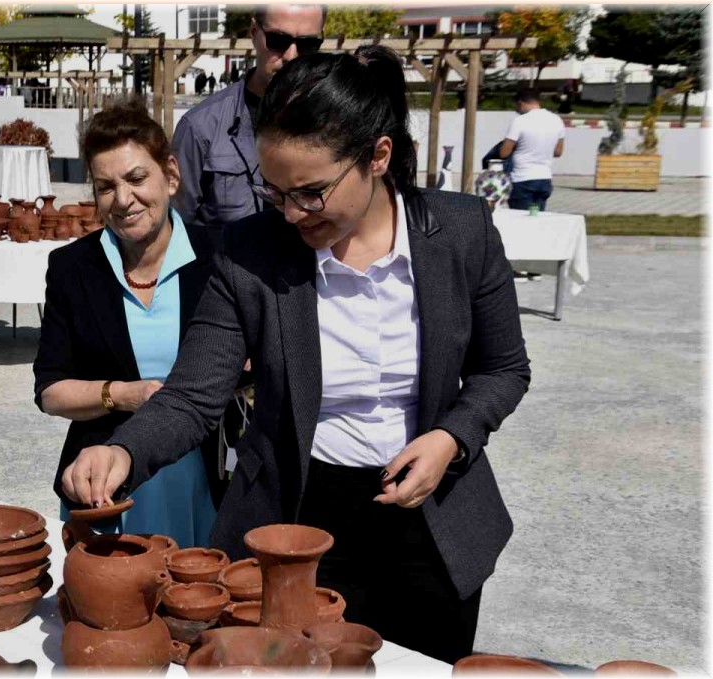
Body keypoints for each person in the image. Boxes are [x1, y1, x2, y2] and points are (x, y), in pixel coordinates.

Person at [60, 47, 531, 665]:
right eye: (274, 190)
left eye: (310, 193)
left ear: (378, 157)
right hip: (301, 519)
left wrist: (451, 437)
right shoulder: (251, 252)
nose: (290, 214)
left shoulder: (461, 232)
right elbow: (195, 393)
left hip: (435, 515)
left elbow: (504, 369)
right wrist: (123, 448)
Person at [33, 98, 223, 547]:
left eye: (137, 178)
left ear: (171, 175)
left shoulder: (219, 259)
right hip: (106, 482)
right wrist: (124, 395)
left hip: (210, 478)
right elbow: (50, 390)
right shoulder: (73, 268)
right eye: (105, 186)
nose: (123, 199)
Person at [172, 4, 326, 251]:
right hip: (223, 280)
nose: (291, 55)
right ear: (255, 32)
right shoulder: (201, 127)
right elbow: (174, 228)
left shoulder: (335, 123)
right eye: (278, 40)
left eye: (307, 45)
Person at [499, 88, 565, 211]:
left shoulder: (520, 121)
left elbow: (504, 153)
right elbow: (558, 152)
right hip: (544, 178)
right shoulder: (556, 120)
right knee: (537, 219)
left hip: (522, 178)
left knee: (521, 221)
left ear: (521, 103)